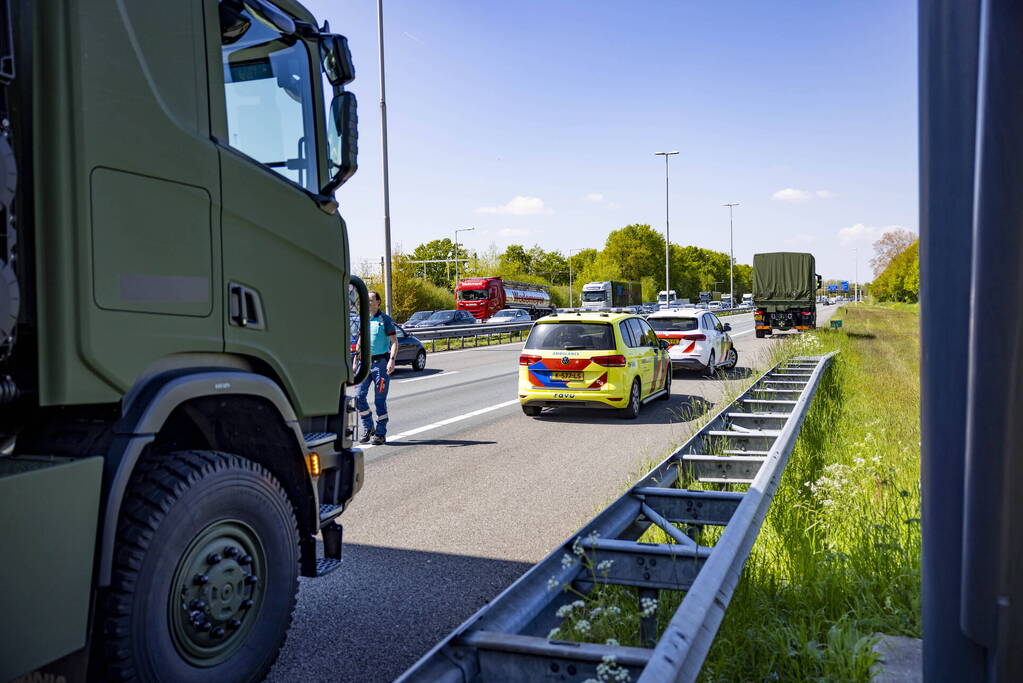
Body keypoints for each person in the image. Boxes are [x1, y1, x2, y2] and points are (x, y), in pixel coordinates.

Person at [355, 291, 398, 445]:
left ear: (378, 302)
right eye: (366, 300)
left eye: (371, 300)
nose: (369, 302)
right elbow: (361, 339)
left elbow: (394, 342)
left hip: (381, 364)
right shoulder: (364, 319)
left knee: (379, 400)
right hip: (364, 363)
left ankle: (380, 433)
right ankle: (368, 427)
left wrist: (391, 360)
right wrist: (355, 358)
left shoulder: (385, 319)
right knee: (359, 397)